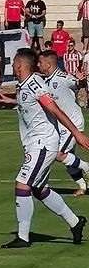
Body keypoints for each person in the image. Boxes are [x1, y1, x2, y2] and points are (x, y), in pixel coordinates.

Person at [0, 48, 87, 248]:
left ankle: (23, 237)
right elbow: (30, 104)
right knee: (39, 188)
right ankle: (75, 222)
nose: (13, 67)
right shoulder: (25, 85)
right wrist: (9, 101)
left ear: (19, 66)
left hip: (43, 143)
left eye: (14, 64)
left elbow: (55, 109)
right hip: (35, 144)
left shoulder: (35, 84)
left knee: (22, 184)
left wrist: (77, 134)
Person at [38, 50, 89, 196]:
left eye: (40, 62)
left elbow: (77, 82)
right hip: (60, 125)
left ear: (48, 64)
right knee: (69, 160)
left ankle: (87, 167)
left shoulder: (62, 77)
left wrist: (81, 80)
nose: (38, 65)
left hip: (72, 122)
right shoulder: (45, 81)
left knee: (58, 153)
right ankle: (83, 186)